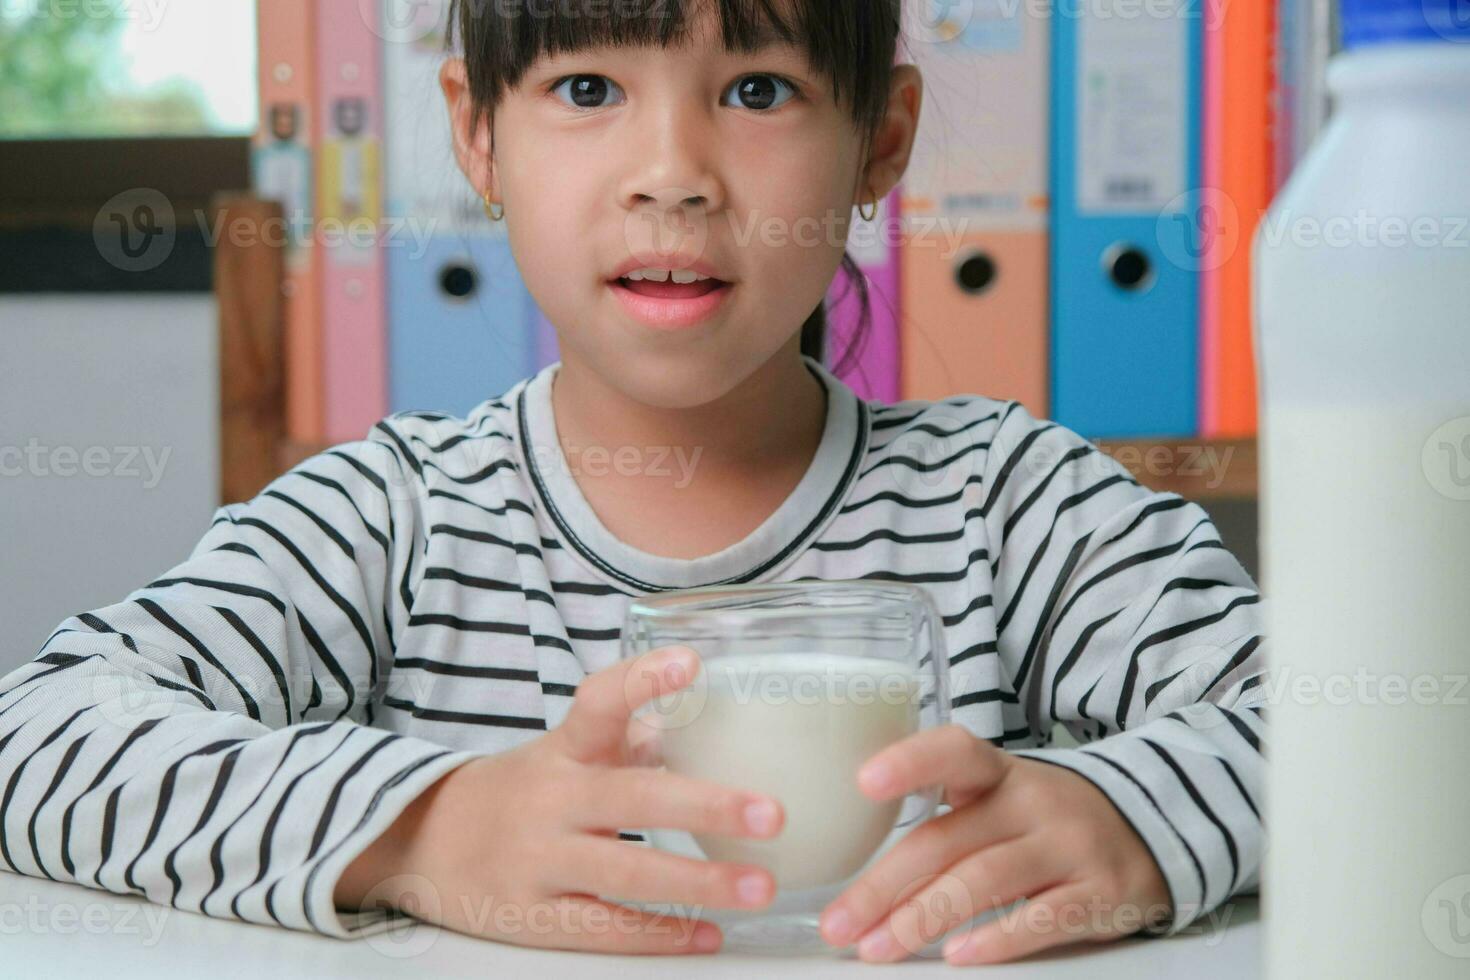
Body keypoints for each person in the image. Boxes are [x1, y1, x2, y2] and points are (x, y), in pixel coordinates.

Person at [0, 0, 1266, 964]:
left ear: (880, 140)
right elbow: (35, 738)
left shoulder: (1009, 506)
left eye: (758, 88)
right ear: (478, 133)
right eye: (589, 86)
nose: (674, 172)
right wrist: (428, 829)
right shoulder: (391, 518)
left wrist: (1131, 816)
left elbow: (1358, 718)